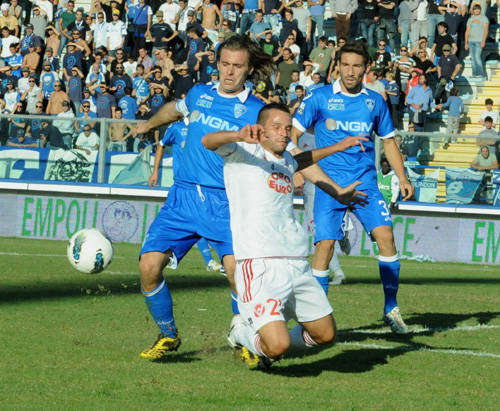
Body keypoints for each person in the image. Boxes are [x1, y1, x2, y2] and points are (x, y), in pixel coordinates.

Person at [132, 35, 275, 360]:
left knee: (239, 276)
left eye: (237, 66)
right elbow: (173, 110)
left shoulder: (257, 110)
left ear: (249, 68)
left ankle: (248, 341)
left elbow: (274, 151)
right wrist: (147, 125)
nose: (229, 72)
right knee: (148, 266)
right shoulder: (199, 94)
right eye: (225, 64)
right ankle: (168, 336)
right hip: (182, 198)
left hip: (228, 203)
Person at [203, 103, 367, 366]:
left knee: (325, 334)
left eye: (288, 128)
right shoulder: (242, 152)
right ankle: (241, 333)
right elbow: (208, 140)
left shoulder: (287, 161)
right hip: (259, 263)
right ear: (262, 129)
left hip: (297, 262)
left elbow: (302, 160)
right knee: (278, 345)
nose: (284, 133)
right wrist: (237, 135)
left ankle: (267, 347)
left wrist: (338, 148)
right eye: (277, 127)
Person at [292, 40, 415, 334]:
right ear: (337, 66)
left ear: (366, 68)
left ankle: (391, 308)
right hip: (328, 187)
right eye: (345, 65)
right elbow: (292, 134)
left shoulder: (374, 102)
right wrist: (296, 166)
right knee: (324, 247)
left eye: (356, 66)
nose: (350, 71)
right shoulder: (318, 97)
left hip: (366, 185)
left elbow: (388, 141)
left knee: (386, 237)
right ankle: (316, 317)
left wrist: (403, 177)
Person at [150, 118, 224, 272]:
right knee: (200, 222)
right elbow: (162, 145)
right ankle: (212, 260)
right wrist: (155, 171)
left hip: (205, 184)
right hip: (183, 186)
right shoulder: (176, 128)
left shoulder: (206, 125)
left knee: (205, 222)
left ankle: (216, 260)